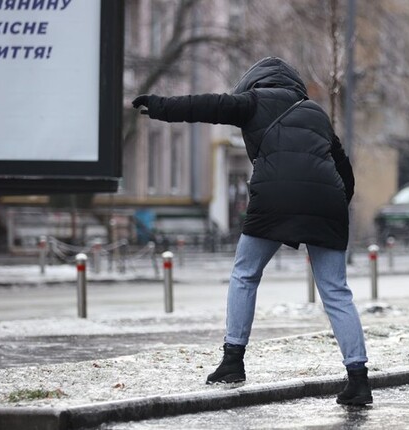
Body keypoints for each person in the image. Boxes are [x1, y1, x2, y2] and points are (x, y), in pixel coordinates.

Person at [132, 57, 371, 406]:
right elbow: (343, 167)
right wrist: (331, 205)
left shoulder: (253, 101)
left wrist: (159, 106)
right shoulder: (316, 112)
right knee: (336, 291)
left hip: (275, 196)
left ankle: (232, 361)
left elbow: (208, 105)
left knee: (245, 274)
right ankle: (359, 380)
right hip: (327, 201)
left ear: (254, 82)